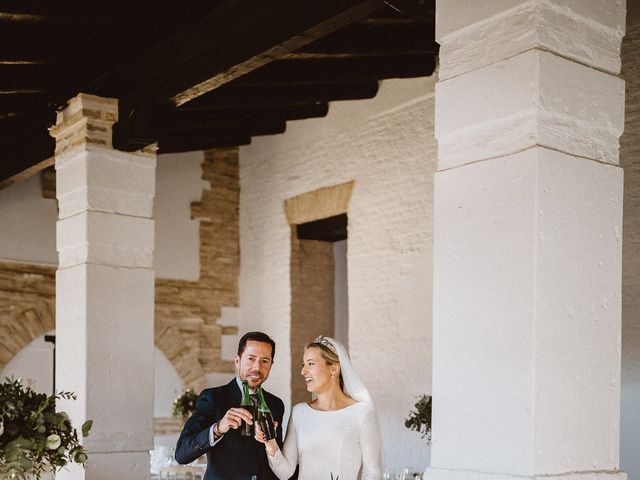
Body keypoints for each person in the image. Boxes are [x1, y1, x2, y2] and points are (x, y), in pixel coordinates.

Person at [256, 335, 383, 480]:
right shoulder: (299, 412)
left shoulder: (362, 412)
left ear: (333, 369)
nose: (303, 371)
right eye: (303, 364)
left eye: (310, 364)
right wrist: (269, 442)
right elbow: (285, 473)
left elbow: (372, 471)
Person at [175, 331, 285, 480]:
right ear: (237, 361)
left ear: (271, 365)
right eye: (251, 359)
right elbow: (182, 454)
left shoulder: (276, 404)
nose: (257, 367)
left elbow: (278, 461)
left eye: (265, 361)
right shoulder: (213, 398)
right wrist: (218, 428)